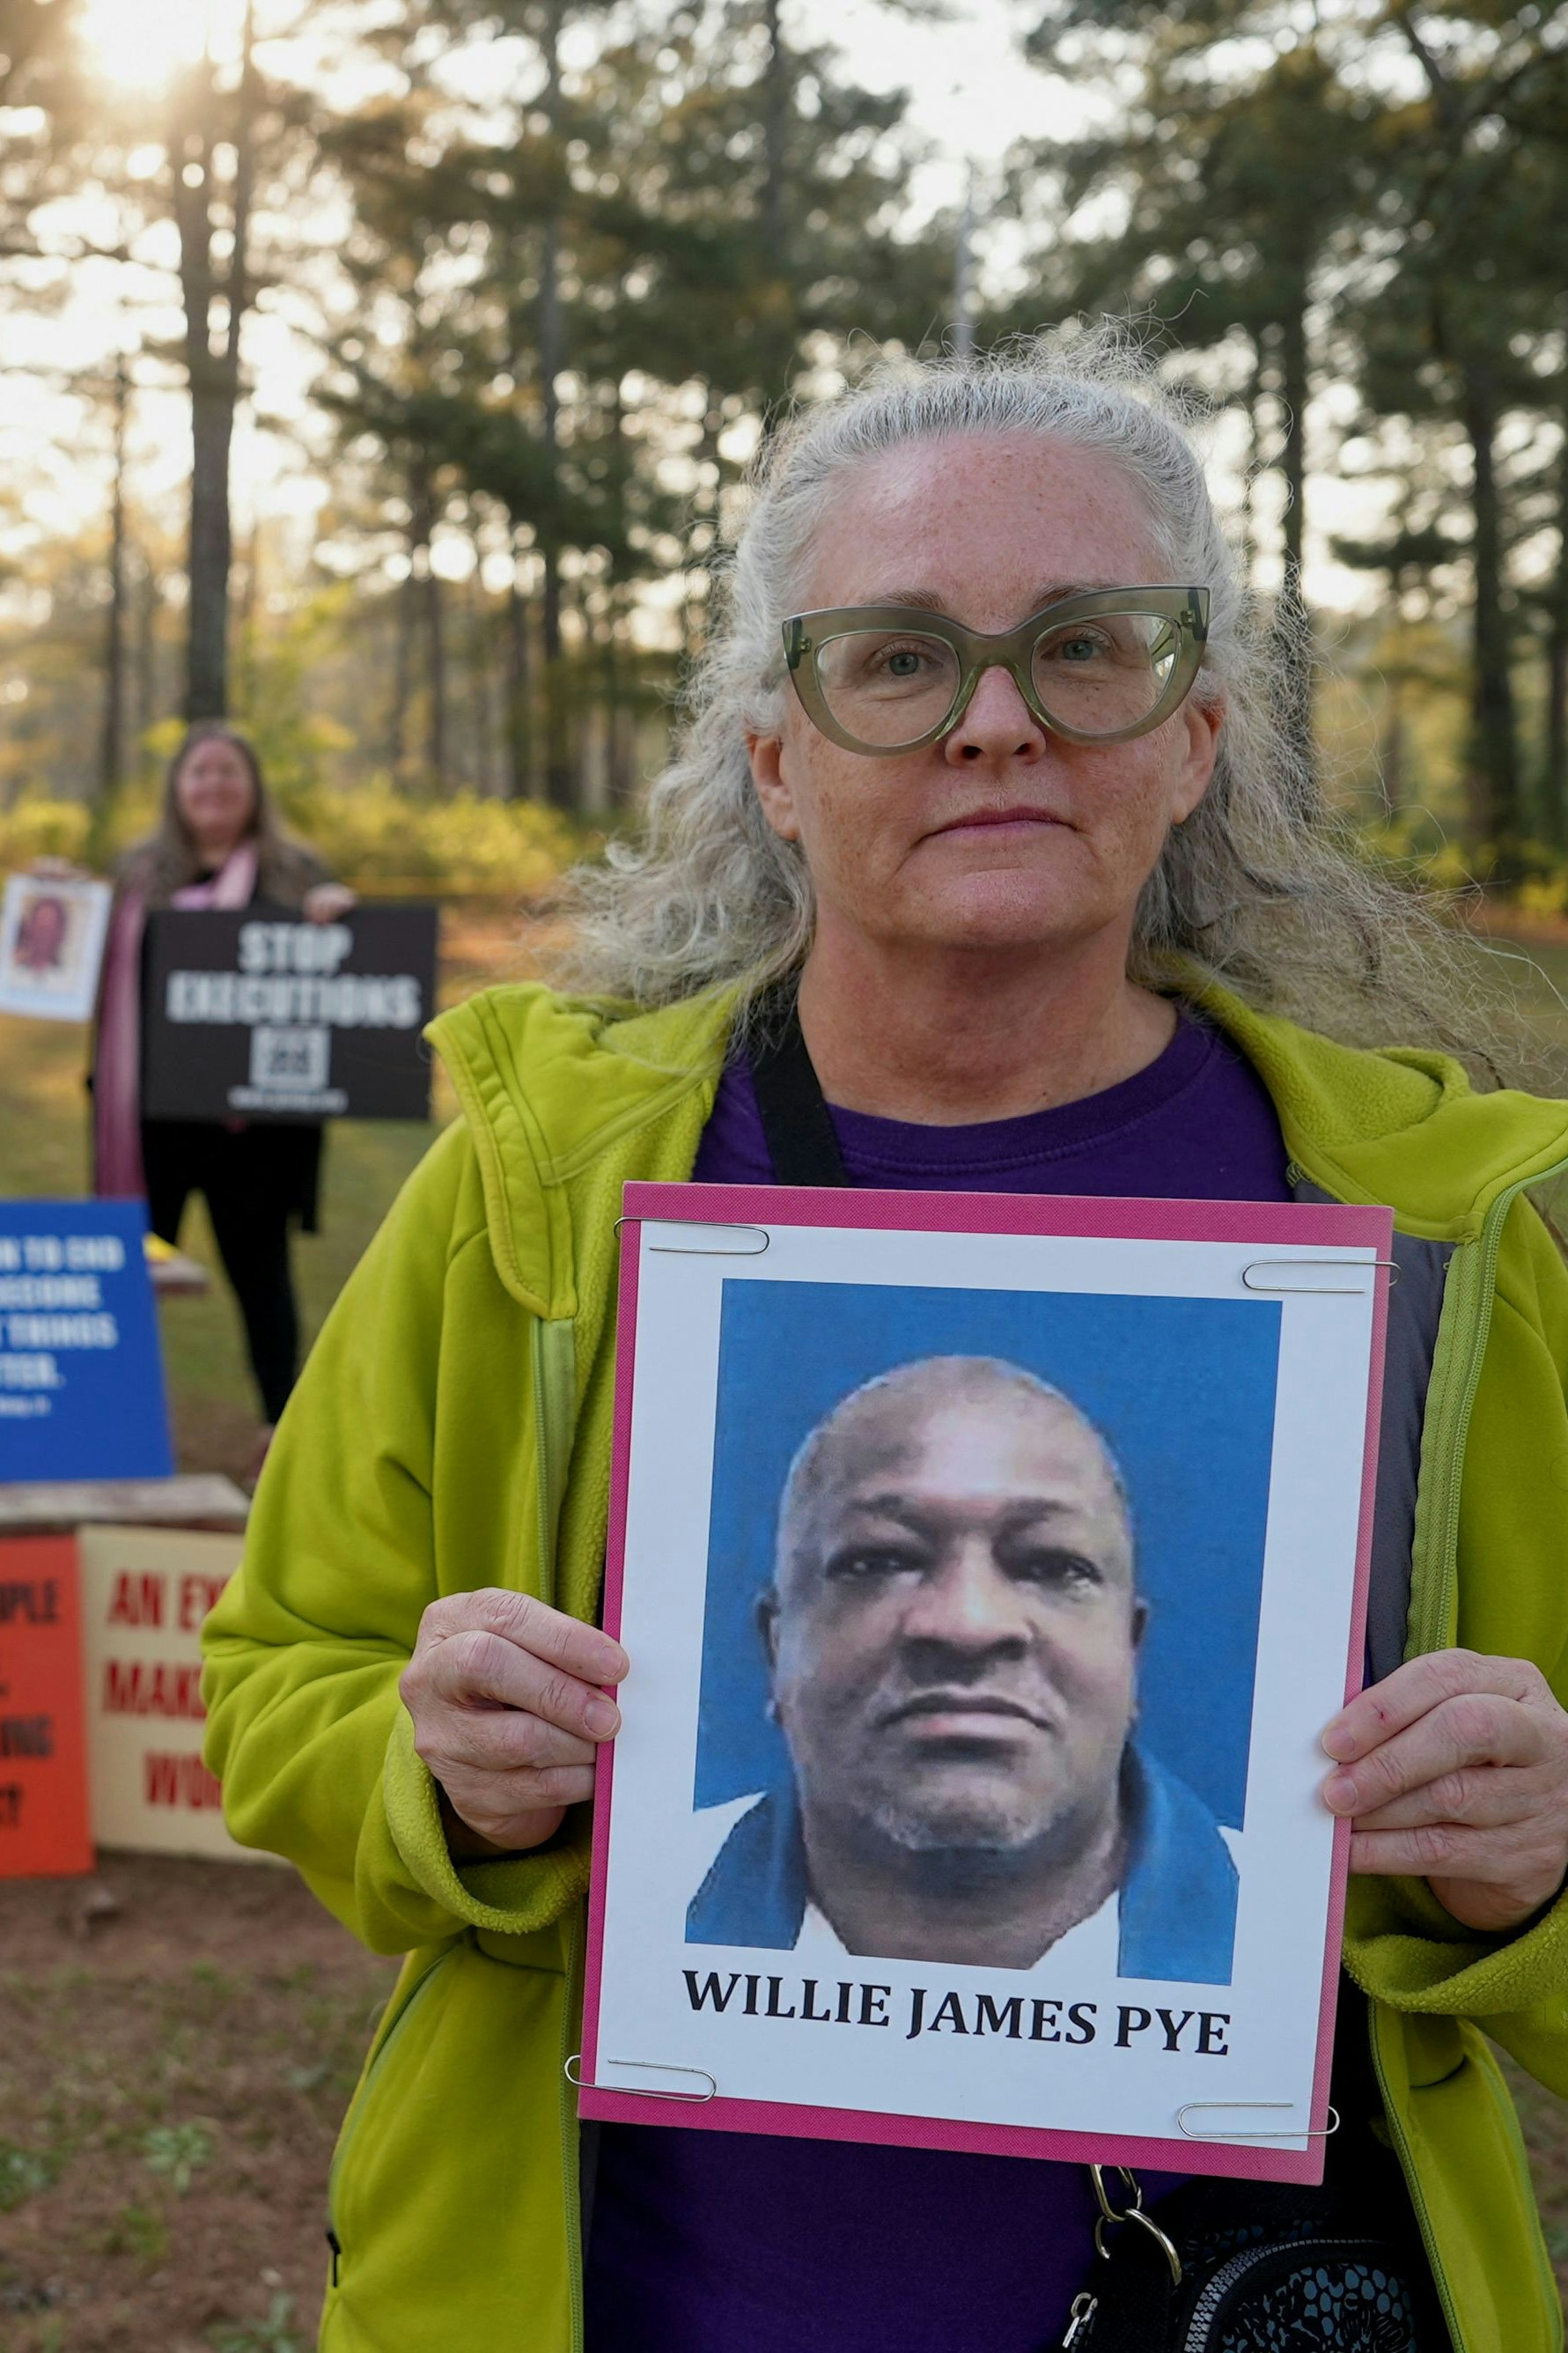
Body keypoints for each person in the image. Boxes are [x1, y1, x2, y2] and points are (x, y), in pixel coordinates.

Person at [202, 332, 1568, 2353]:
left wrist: (1530, 1854)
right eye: (900, 656)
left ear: (1192, 730)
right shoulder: (543, 1204)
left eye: (1084, 646)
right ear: (775, 751)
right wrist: (430, 1764)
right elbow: (269, 1679)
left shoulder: (1435, 1240)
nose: (995, 725)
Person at [687, 1355, 1238, 1982]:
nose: (967, 1624)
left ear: (1131, 1650)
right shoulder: (616, 1904)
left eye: (1051, 1565)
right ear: (774, 1649)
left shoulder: (1312, 1945)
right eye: (879, 1560)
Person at [95, 725, 355, 1447]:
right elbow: (84, 959)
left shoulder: (295, 872)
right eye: (199, 772)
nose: (213, 784)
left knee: (262, 1278)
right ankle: (109, 1431)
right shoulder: (140, 872)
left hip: (256, 1131)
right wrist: (56, 892)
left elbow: (340, 974)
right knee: (130, 1278)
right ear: (177, 787)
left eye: (228, 772)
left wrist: (341, 917)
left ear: (253, 787)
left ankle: (283, 1437)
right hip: (150, 1122)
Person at [13, 890, 70, 972]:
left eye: (50, 926)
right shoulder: (13, 961)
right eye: (40, 921)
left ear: (59, 933)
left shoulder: (62, 973)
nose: (43, 930)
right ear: (30, 926)